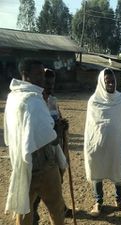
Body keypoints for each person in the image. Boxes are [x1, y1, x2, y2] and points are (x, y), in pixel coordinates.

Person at [4, 59, 67, 225]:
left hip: (22, 164)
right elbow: (49, 139)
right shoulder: (32, 100)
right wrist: (58, 132)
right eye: (38, 74)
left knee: (25, 210)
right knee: (56, 208)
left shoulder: (13, 97)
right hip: (43, 165)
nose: (42, 78)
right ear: (26, 75)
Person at [84, 68, 121, 217]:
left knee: (117, 170)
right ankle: (98, 202)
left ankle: (120, 201)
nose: (110, 83)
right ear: (101, 82)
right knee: (97, 170)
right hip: (97, 144)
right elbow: (90, 126)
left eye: (112, 81)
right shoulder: (94, 101)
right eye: (107, 81)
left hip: (116, 144)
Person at [33, 68, 72, 225]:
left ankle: (60, 207)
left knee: (57, 181)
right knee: (36, 188)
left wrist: (62, 125)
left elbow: (57, 119)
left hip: (56, 147)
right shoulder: (35, 102)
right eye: (47, 83)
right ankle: (33, 214)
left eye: (52, 83)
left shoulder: (53, 100)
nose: (50, 86)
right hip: (40, 152)